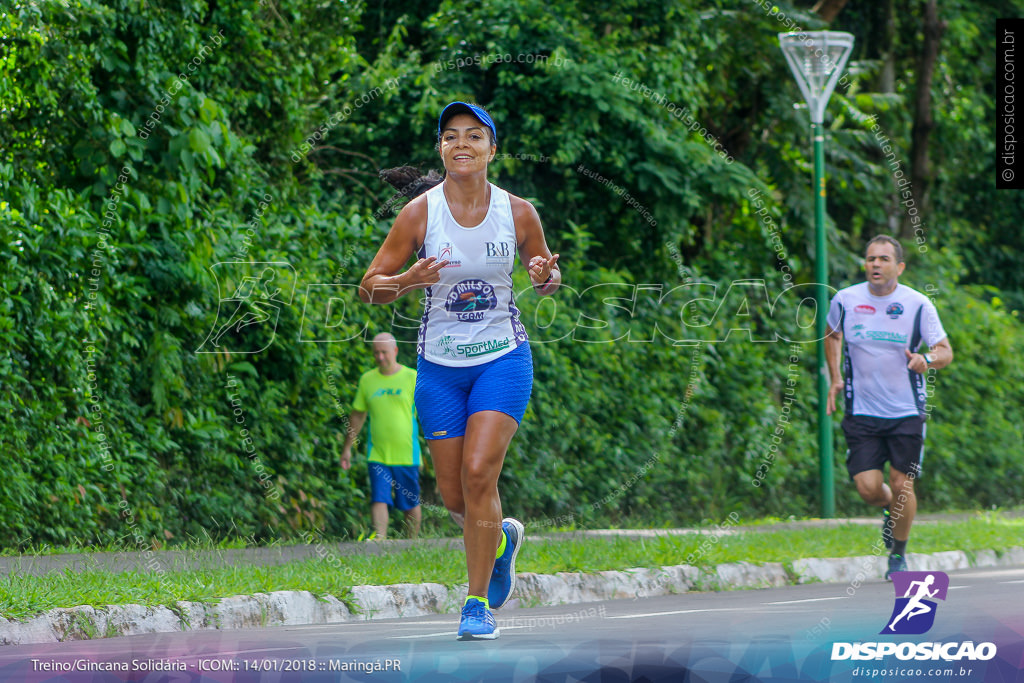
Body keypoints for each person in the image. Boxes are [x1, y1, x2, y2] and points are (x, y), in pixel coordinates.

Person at [359, 101, 561, 640]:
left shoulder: (518, 212)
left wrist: (545, 275)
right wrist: (408, 279)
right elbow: (368, 288)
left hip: (502, 358)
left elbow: (546, 279)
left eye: (474, 135)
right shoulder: (420, 214)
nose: (463, 144)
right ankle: (499, 540)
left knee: (479, 475)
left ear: (493, 149)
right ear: (441, 149)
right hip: (439, 367)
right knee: (453, 497)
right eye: (452, 136)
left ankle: (476, 606)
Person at [824, 235, 952, 580]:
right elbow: (832, 335)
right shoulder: (845, 300)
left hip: (907, 411)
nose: (875, 265)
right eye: (870, 259)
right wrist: (835, 377)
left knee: (902, 484)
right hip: (862, 409)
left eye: (883, 259)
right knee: (868, 489)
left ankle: (898, 553)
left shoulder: (918, 304)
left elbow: (944, 350)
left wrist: (926, 359)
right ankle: (888, 512)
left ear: (900, 266)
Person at [341, 332, 422, 540]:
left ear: (395, 351)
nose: (380, 357)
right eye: (376, 353)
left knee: (409, 501)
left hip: (407, 452)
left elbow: (428, 412)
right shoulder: (367, 380)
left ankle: (411, 543)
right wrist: (347, 448)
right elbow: (358, 415)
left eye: (384, 352)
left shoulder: (412, 377)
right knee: (379, 497)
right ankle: (380, 540)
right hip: (377, 452)